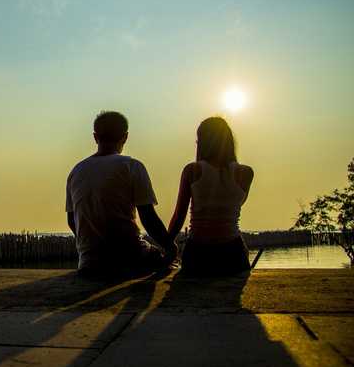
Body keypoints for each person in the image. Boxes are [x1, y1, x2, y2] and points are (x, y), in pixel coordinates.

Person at [66, 111, 176, 278]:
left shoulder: (76, 171)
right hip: (131, 259)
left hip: (89, 264)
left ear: (95, 137)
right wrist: (171, 247)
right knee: (166, 262)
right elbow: (148, 218)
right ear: (125, 137)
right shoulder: (132, 166)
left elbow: (72, 220)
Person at [168, 116, 254, 276]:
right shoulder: (246, 173)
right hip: (234, 253)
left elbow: (179, 217)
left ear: (202, 142)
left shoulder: (192, 171)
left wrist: (167, 246)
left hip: (198, 252)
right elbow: (236, 206)